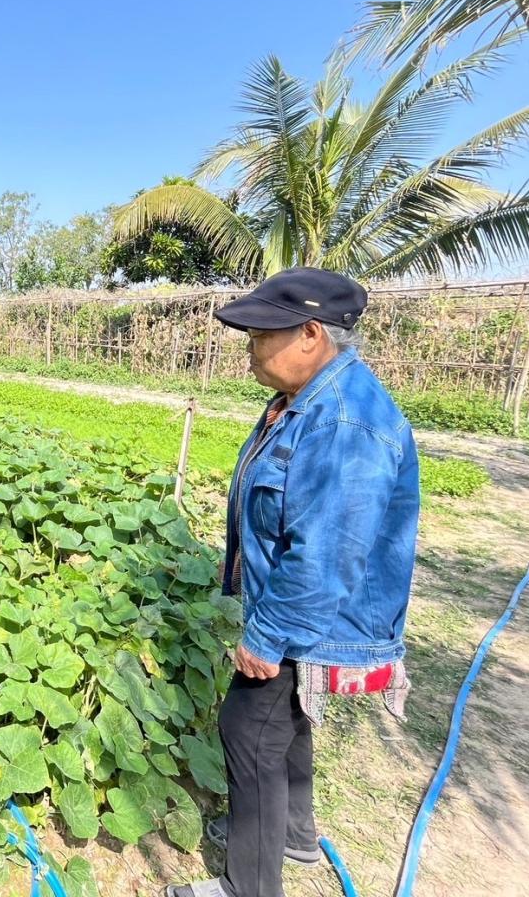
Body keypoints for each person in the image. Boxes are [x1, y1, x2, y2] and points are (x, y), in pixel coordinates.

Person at [167, 268, 419, 897]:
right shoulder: (309, 397)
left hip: (315, 619)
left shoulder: (340, 424)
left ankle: (247, 887)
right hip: (310, 614)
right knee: (287, 721)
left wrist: (266, 636)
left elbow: (324, 556)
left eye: (261, 335)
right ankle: (295, 836)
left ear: (310, 333)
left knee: (247, 730)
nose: (250, 347)